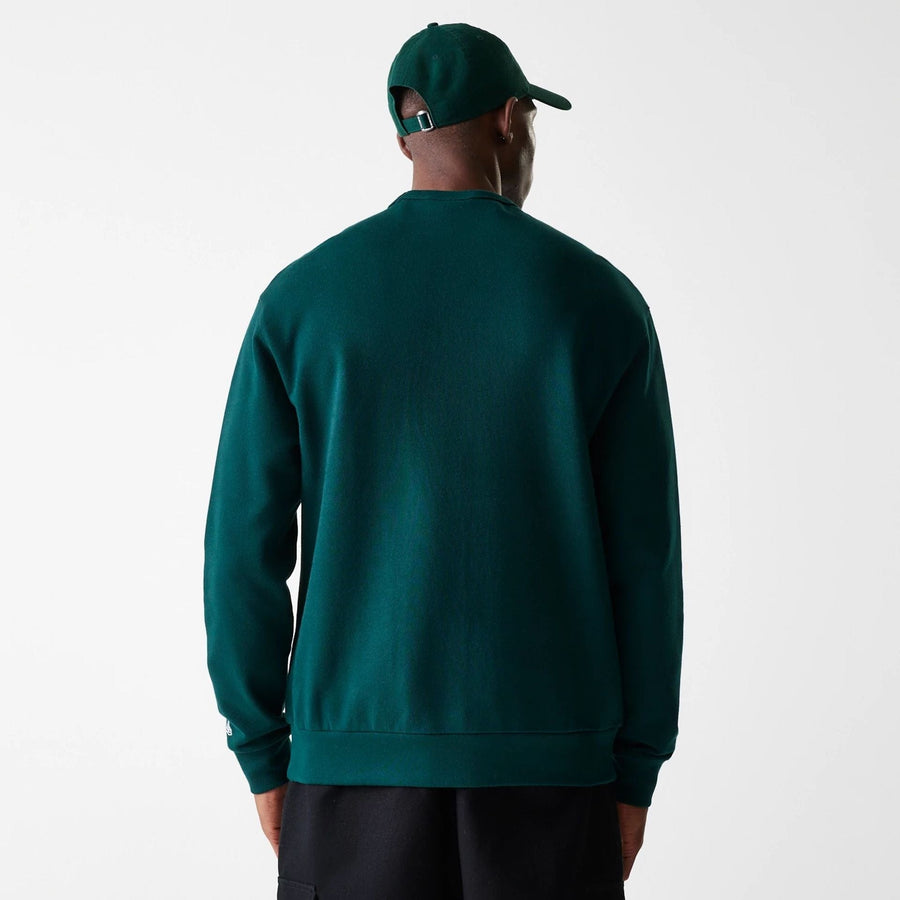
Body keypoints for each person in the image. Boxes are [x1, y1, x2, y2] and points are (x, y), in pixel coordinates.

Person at [203, 21, 684, 900]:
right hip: (553, 776)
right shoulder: (598, 302)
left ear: (403, 138)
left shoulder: (302, 302)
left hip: (349, 774)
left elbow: (241, 549)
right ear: (510, 118)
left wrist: (263, 750)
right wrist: (638, 767)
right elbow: (644, 562)